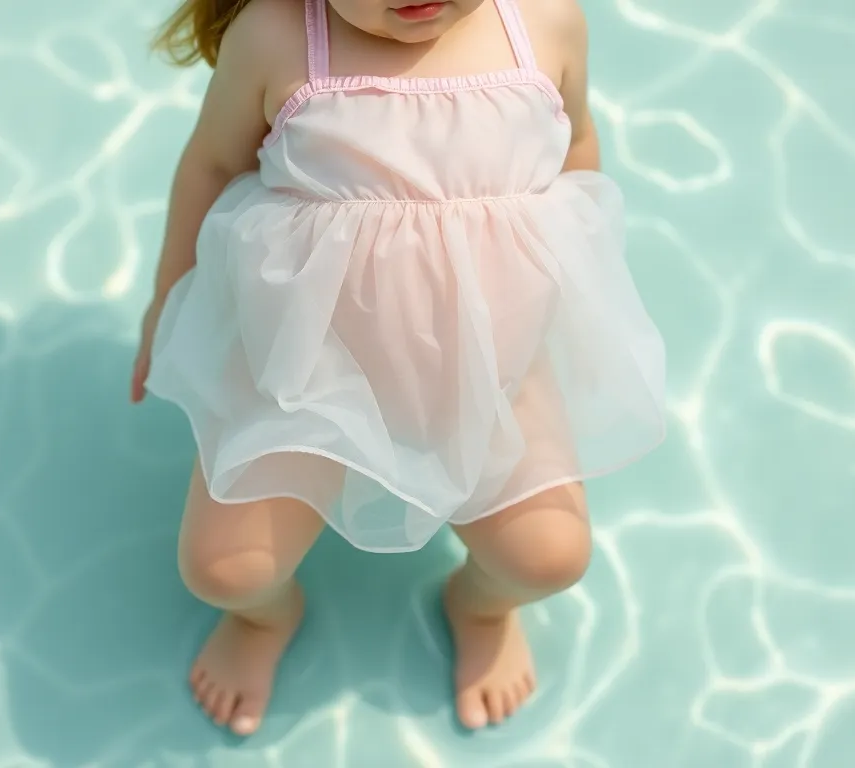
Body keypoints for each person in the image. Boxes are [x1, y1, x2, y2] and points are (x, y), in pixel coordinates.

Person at [129, 0, 666, 737]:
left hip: (488, 370)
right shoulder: (280, 40)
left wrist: (566, 291)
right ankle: (265, 622)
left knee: (550, 558)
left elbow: (576, 150)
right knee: (226, 570)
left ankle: (479, 603)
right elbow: (212, 165)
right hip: (303, 372)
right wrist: (169, 299)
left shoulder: (543, 23)